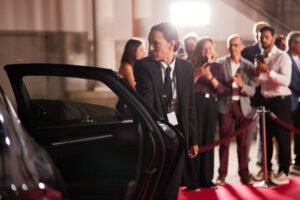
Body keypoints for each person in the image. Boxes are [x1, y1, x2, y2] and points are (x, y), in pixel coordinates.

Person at [134, 22, 198, 200]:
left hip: (178, 133)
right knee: (153, 186)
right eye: (149, 43)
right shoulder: (144, 66)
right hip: (155, 134)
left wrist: (192, 139)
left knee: (172, 186)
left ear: (172, 44)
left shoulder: (187, 68)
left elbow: (190, 106)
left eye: (156, 43)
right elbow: (146, 102)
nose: (150, 48)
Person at [216, 35, 256, 185]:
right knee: (224, 142)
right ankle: (222, 174)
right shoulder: (220, 63)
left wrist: (241, 85)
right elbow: (217, 87)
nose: (233, 48)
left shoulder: (249, 66)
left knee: (243, 143)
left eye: (236, 45)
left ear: (242, 47)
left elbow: (252, 91)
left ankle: (244, 173)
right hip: (225, 106)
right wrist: (227, 83)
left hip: (243, 107)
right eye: (230, 45)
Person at [254, 26, 292, 185]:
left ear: (273, 37)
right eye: (260, 37)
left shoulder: (283, 56)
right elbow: (260, 82)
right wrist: (257, 75)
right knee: (265, 138)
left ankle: (284, 171)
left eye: (266, 37)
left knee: (282, 138)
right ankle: (266, 169)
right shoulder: (261, 57)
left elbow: (286, 81)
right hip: (265, 101)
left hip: (280, 101)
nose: (263, 39)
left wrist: (268, 71)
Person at [191, 37, 226, 188]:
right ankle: (193, 180)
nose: (207, 51)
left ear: (213, 49)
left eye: (210, 48)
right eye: (204, 48)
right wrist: (198, 74)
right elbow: (185, 88)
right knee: (195, 140)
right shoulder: (191, 66)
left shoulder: (218, 67)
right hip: (195, 104)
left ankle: (206, 178)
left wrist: (210, 77)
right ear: (199, 51)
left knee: (208, 140)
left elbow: (221, 90)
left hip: (211, 104)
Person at [242, 21, 270, 167]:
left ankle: (262, 162)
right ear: (256, 34)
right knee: (248, 132)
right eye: (259, 31)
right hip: (251, 97)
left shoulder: (273, 51)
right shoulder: (247, 51)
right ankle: (244, 162)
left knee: (265, 133)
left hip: (268, 97)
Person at [116, 38, 146, 118]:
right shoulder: (127, 66)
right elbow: (136, 88)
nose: (144, 53)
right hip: (126, 108)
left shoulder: (134, 66)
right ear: (133, 50)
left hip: (131, 106)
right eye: (141, 50)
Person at [286, 31, 300, 175]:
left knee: (299, 130)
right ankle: (285, 160)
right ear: (293, 43)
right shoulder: (284, 57)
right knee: (287, 131)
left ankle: (298, 159)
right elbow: (287, 79)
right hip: (290, 99)